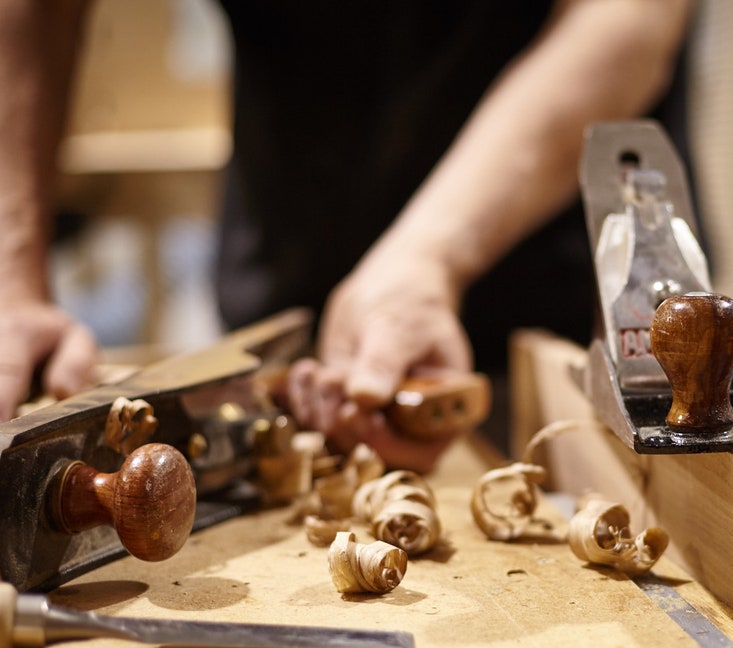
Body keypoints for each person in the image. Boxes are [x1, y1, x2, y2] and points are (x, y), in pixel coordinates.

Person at [0, 0, 695, 472]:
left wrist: (432, 254)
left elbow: (628, 17)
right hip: (290, 291)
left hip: (559, 308)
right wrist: (11, 272)